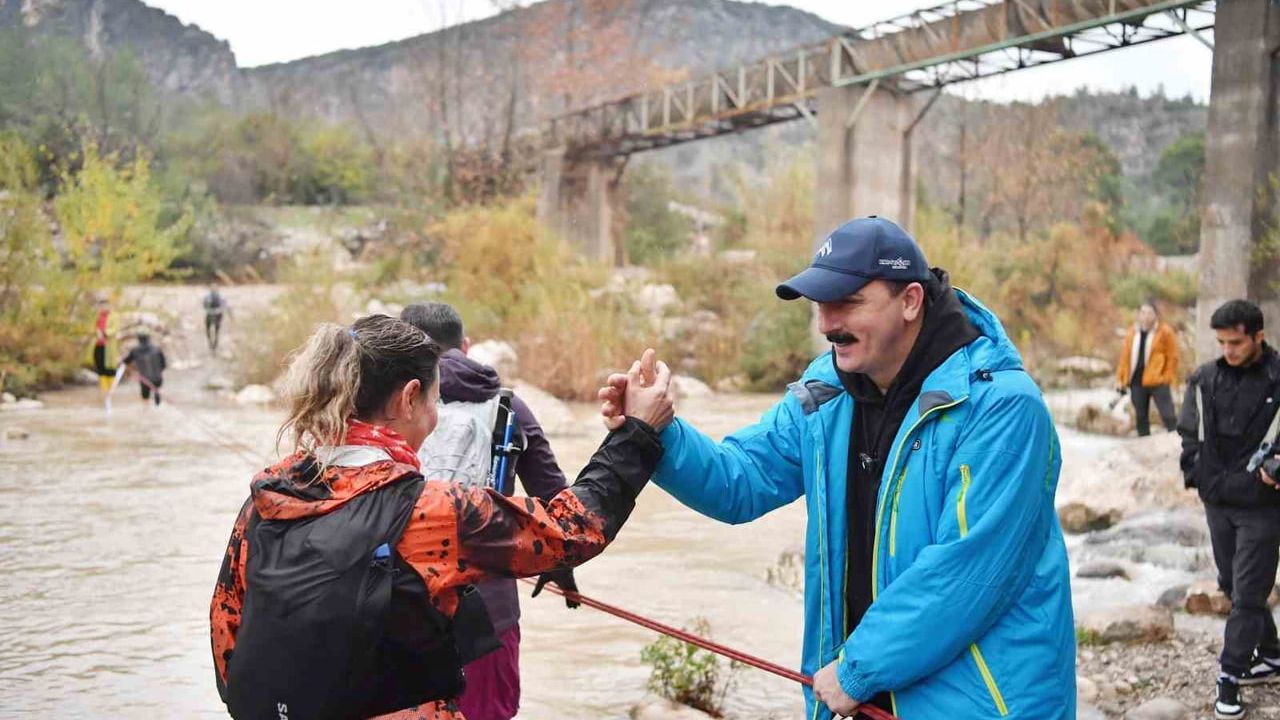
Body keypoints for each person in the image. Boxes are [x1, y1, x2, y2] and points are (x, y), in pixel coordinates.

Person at [600, 216, 1074, 719]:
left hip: (978, 705)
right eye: (821, 304)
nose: (827, 324)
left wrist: (856, 670)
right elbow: (737, 481)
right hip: (862, 699)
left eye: (847, 302)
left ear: (910, 301)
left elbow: (966, 573)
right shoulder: (827, 390)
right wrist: (655, 431)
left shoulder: (1002, 407)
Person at [209, 314, 671, 720]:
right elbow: (569, 532)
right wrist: (637, 432)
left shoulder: (267, 498)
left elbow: (227, 633)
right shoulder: (428, 510)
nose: (435, 417)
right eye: (435, 400)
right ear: (410, 399)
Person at [400, 302, 575, 720]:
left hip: (402, 608)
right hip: (490, 612)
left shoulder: (388, 405)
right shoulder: (508, 407)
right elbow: (555, 498)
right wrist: (560, 568)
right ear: (465, 346)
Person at [1178, 300, 1280, 720]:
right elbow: (1189, 434)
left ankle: (1230, 677)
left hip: (1263, 505)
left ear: (1258, 335)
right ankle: (1272, 654)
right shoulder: (1204, 377)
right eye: (1221, 342)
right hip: (1217, 500)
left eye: (1236, 342)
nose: (1228, 350)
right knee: (1233, 586)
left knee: (1249, 594)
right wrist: (1195, 473)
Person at [1115, 301, 1180, 436]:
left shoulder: (1164, 332)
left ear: (1156, 315)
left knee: (1168, 415)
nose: (1146, 317)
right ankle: (1144, 445)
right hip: (1136, 381)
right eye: (1143, 313)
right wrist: (1121, 379)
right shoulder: (1132, 332)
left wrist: (1167, 378)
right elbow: (1124, 358)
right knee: (1141, 418)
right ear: (1139, 314)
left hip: (1157, 380)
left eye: (1150, 313)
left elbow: (1173, 357)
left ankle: (1178, 443)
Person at [121, 331, 166, 406]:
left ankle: (146, 412)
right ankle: (158, 405)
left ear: (139, 339)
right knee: (157, 393)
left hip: (145, 380)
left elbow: (125, 361)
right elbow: (164, 365)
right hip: (158, 379)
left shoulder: (135, 350)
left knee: (145, 399)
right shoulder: (157, 349)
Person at [90, 295, 118, 395]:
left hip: (108, 345)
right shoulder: (97, 316)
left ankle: (112, 390)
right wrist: (97, 332)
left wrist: (104, 332)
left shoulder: (114, 316)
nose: (103, 308)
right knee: (100, 366)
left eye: (105, 306)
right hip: (98, 344)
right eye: (101, 306)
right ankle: (104, 389)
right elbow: (93, 327)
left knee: (110, 367)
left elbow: (115, 329)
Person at [203, 284, 228, 352]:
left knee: (217, 329)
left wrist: (219, 311)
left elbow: (223, 305)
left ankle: (215, 342)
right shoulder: (207, 297)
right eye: (212, 289)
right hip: (210, 313)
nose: (214, 290)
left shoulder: (221, 297)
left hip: (218, 314)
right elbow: (204, 305)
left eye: (215, 289)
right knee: (207, 328)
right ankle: (210, 342)